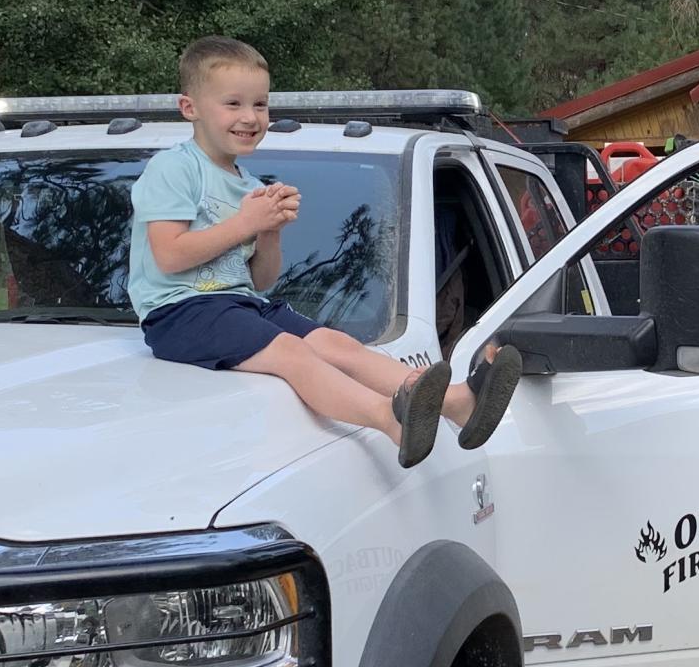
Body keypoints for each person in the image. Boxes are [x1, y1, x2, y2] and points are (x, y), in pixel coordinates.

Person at [129, 36, 519, 468]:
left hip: (239, 303)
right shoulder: (174, 167)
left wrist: (270, 233)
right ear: (190, 108)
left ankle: (456, 402)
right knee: (291, 352)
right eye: (233, 104)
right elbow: (169, 256)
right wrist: (246, 224)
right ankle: (391, 417)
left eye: (260, 105)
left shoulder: (251, 186)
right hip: (179, 312)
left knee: (335, 343)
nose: (250, 117)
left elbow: (260, 281)